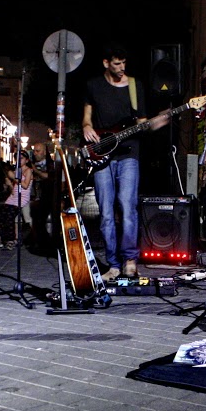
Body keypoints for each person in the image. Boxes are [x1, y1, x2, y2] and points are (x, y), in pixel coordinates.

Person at [83, 45, 148, 279]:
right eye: (117, 63)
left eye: (124, 63)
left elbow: (142, 120)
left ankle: (130, 259)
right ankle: (113, 264)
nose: (122, 68)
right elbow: (86, 118)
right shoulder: (93, 86)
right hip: (102, 154)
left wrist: (151, 123)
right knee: (106, 212)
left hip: (129, 153)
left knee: (128, 206)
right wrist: (87, 127)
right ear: (106, 63)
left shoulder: (135, 86)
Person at [0, 151, 33, 250]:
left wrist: (14, 178)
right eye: (17, 158)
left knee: (10, 217)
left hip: (22, 197)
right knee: (2, 217)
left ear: (26, 160)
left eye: (21, 158)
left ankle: (11, 240)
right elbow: (13, 190)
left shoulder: (28, 171)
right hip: (13, 196)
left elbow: (25, 185)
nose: (19, 160)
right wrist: (9, 184)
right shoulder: (16, 170)